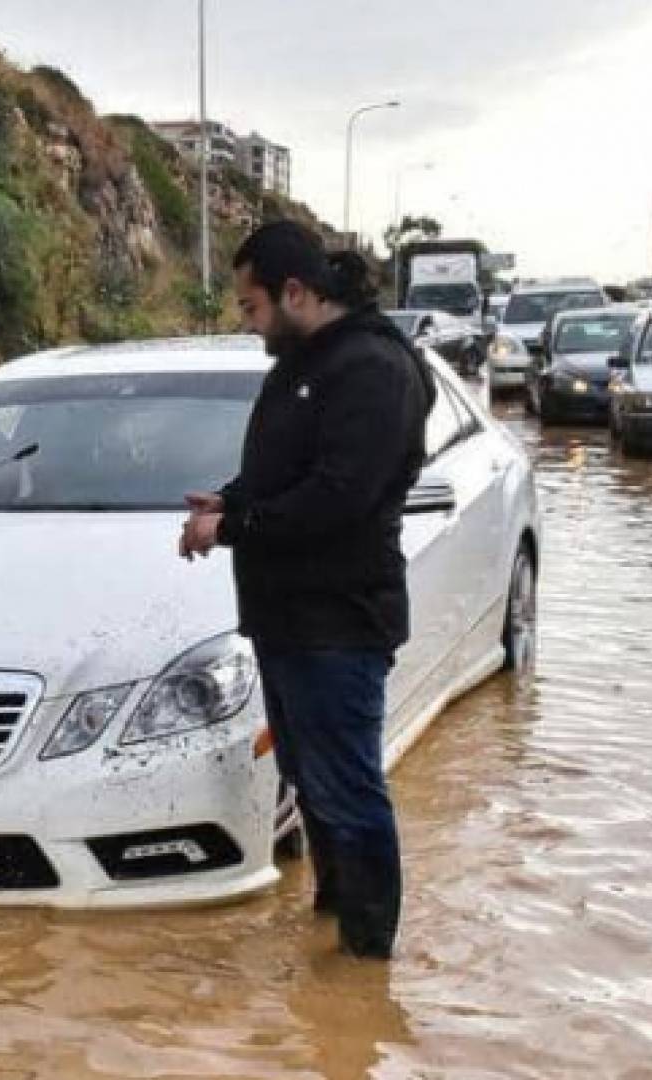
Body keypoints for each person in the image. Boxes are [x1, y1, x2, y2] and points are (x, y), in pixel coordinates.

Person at [178, 221, 433, 960]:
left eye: (251, 306)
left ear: (296, 292)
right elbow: (274, 475)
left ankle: (365, 969)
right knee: (311, 782)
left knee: (349, 790)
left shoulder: (372, 370)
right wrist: (224, 503)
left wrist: (230, 527)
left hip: (338, 622)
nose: (246, 321)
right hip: (287, 620)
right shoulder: (302, 361)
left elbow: (336, 499)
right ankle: (331, 921)